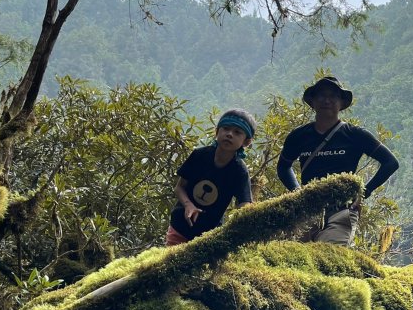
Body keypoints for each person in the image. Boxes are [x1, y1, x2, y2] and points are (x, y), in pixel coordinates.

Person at [276, 76, 399, 245]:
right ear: (312, 101)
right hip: (308, 209)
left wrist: (364, 192)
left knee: (328, 251)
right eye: (321, 96)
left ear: (341, 103)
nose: (327, 100)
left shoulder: (355, 134)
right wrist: (296, 190)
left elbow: (390, 163)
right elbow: (283, 167)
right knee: (299, 258)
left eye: (333, 96)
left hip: (342, 209)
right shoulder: (298, 136)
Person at [166, 109, 256, 246]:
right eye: (226, 129)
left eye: (237, 132)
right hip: (180, 228)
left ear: (247, 142)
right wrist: (188, 205)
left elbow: (244, 204)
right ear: (217, 131)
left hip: (208, 236)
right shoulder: (199, 156)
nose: (229, 134)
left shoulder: (239, 171)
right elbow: (179, 187)